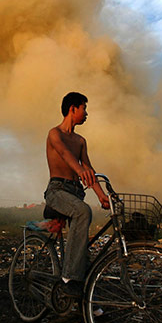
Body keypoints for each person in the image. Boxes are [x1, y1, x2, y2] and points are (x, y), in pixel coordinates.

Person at [44, 92, 110, 297]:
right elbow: (65, 155)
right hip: (57, 191)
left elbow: (88, 168)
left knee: (84, 258)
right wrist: (81, 172)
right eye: (84, 108)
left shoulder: (81, 140)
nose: (87, 113)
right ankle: (68, 277)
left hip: (75, 192)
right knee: (83, 212)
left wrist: (101, 195)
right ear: (73, 108)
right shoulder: (55, 134)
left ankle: (85, 308)